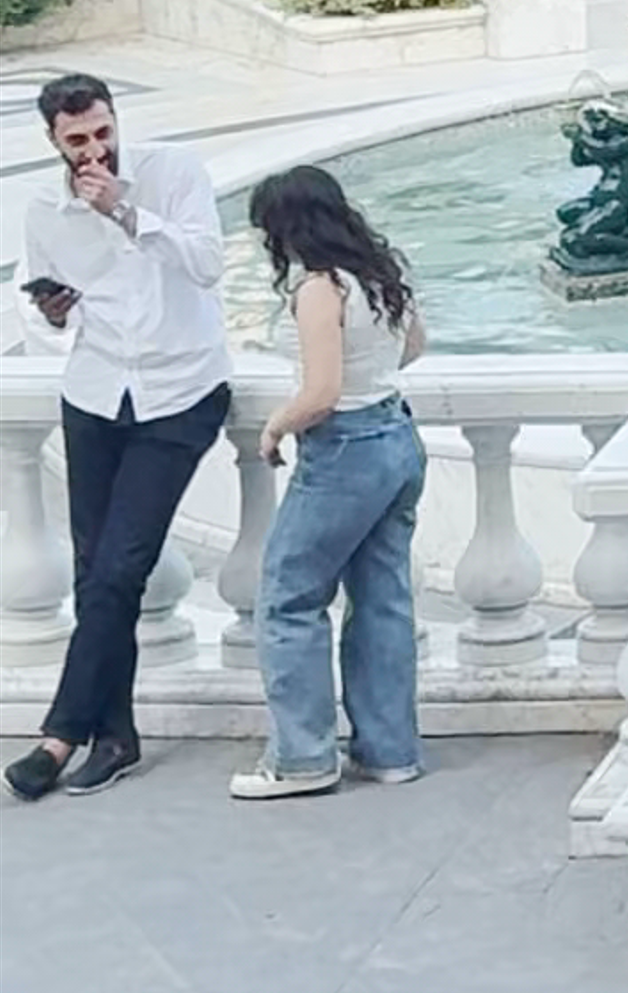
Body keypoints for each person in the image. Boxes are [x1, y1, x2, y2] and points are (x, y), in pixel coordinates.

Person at [9, 72, 235, 800]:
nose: (94, 149)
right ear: (53, 140)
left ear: (115, 121)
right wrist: (52, 309)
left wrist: (129, 213)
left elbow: (207, 263)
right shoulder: (42, 207)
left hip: (179, 393)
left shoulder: (174, 173)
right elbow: (47, 309)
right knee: (90, 572)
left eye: (103, 131)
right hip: (97, 391)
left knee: (119, 569)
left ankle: (58, 734)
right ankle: (117, 735)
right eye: (77, 139)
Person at [232, 165, 431, 803]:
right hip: (398, 438)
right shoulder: (378, 274)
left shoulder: (319, 290)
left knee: (289, 597)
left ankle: (303, 758)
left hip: (344, 450)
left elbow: (321, 393)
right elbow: (414, 349)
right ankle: (391, 750)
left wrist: (274, 429)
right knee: (382, 600)